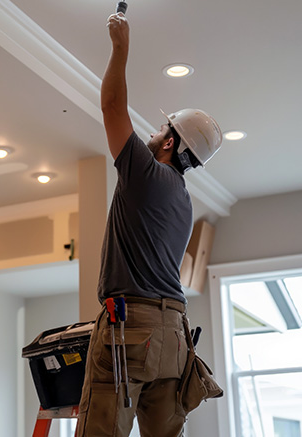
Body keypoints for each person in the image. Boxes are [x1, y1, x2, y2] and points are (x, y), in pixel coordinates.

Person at [74, 10, 223, 437]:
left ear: (171, 142)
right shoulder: (183, 200)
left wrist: (120, 48)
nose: (154, 132)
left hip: (131, 328)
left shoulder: (146, 173)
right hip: (174, 338)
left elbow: (111, 106)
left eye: (162, 127)